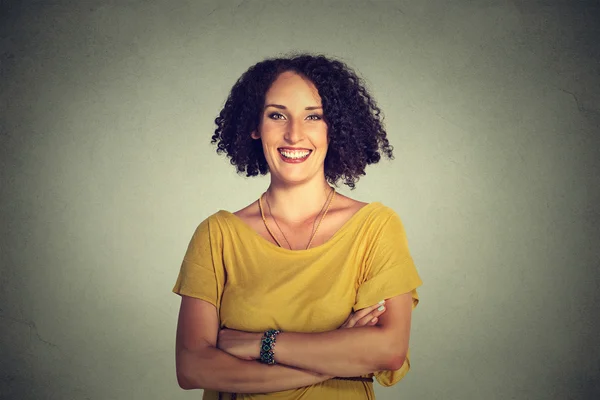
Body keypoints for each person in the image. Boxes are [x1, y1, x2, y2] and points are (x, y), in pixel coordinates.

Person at [172, 54, 423, 400]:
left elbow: (389, 350)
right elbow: (192, 368)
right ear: (255, 126)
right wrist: (339, 356)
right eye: (277, 115)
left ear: (334, 126)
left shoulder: (376, 228)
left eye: (313, 117)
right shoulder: (217, 235)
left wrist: (257, 344)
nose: (294, 134)